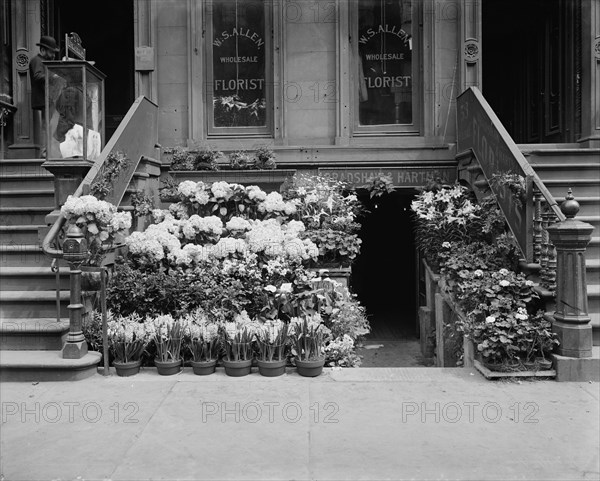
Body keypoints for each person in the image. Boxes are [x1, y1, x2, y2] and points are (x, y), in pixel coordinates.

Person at [29, 36, 59, 157]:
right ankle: (45, 152)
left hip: (49, 98)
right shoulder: (37, 60)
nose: (53, 55)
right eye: (51, 52)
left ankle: (48, 151)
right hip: (43, 99)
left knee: (50, 125)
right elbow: (37, 76)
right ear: (43, 50)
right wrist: (53, 76)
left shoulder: (43, 61)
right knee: (47, 126)